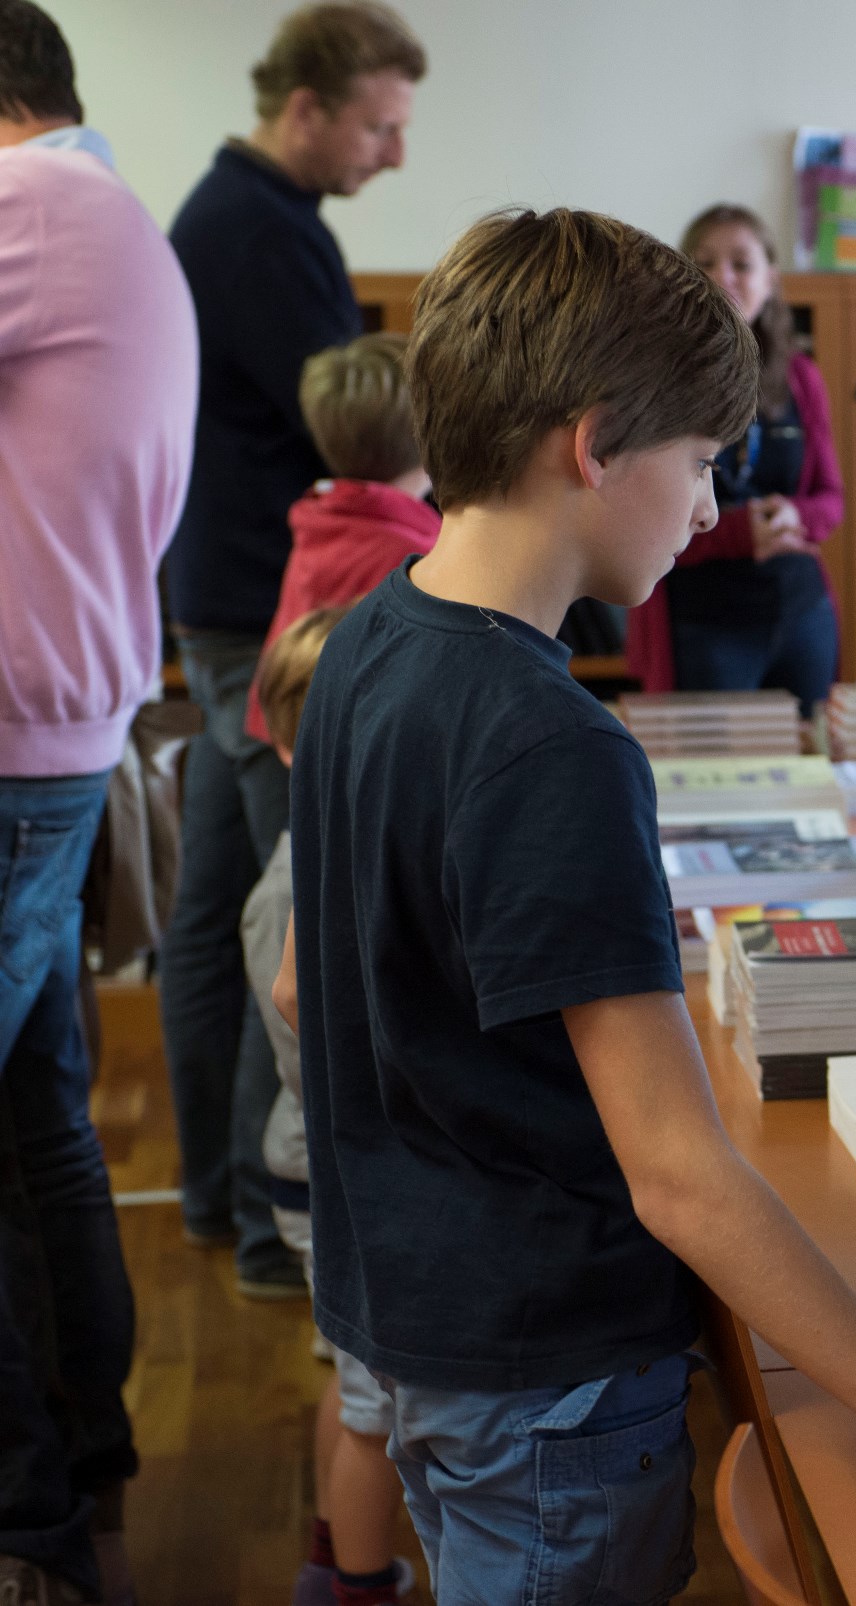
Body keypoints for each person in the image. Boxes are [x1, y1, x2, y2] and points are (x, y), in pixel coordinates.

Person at [275, 208, 856, 1599]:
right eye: (701, 462)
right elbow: (677, 1171)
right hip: (552, 1381)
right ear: (592, 447)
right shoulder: (549, 740)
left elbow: (304, 983)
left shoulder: (367, 641)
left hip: (412, 1330)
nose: (712, 507)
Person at [158, 1, 423, 1299]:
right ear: (305, 107)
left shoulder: (254, 220)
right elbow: (351, 426)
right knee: (291, 919)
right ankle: (271, 1228)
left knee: (217, 913)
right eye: (379, 124)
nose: (393, 154)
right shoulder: (251, 231)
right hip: (278, 626)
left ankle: (219, 1202)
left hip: (239, 608)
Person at [0, 3, 199, 1599]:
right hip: (56, 735)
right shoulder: (113, 213)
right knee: (39, 1121)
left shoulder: (34, 205)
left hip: (11, 743)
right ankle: (83, 1449)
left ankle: (25, 1523)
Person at [244, 610, 415, 1606]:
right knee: (373, 1409)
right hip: (332, 1175)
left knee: (352, 1379)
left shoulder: (316, 843)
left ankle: (327, 1546)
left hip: (320, 1168)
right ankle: (353, 1583)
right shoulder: (298, 884)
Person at [624, 204, 845, 713]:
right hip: (705, 616)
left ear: (771, 277)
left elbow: (831, 501)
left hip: (800, 610)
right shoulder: (659, 380)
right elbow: (645, 516)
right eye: (703, 263)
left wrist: (794, 517)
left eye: (741, 264)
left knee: (812, 766)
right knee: (716, 778)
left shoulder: (801, 378)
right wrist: (742, 531)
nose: (723, 276)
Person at [241, 333, 439, 746]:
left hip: (288, 740)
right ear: (429, 434)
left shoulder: (319, 520)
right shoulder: (418, 554)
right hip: (353, 757)